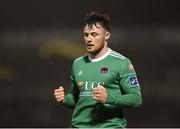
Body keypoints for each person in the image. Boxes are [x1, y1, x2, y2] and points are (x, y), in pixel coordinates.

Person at [54, 11, 142, 128]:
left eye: (94, 35)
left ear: (107, 35)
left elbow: (136, 99)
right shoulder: (77, 63)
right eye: (86, 35)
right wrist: (64, 99)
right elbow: (76, 99)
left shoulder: (121, 62)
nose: (89, 39)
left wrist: (108, 98)